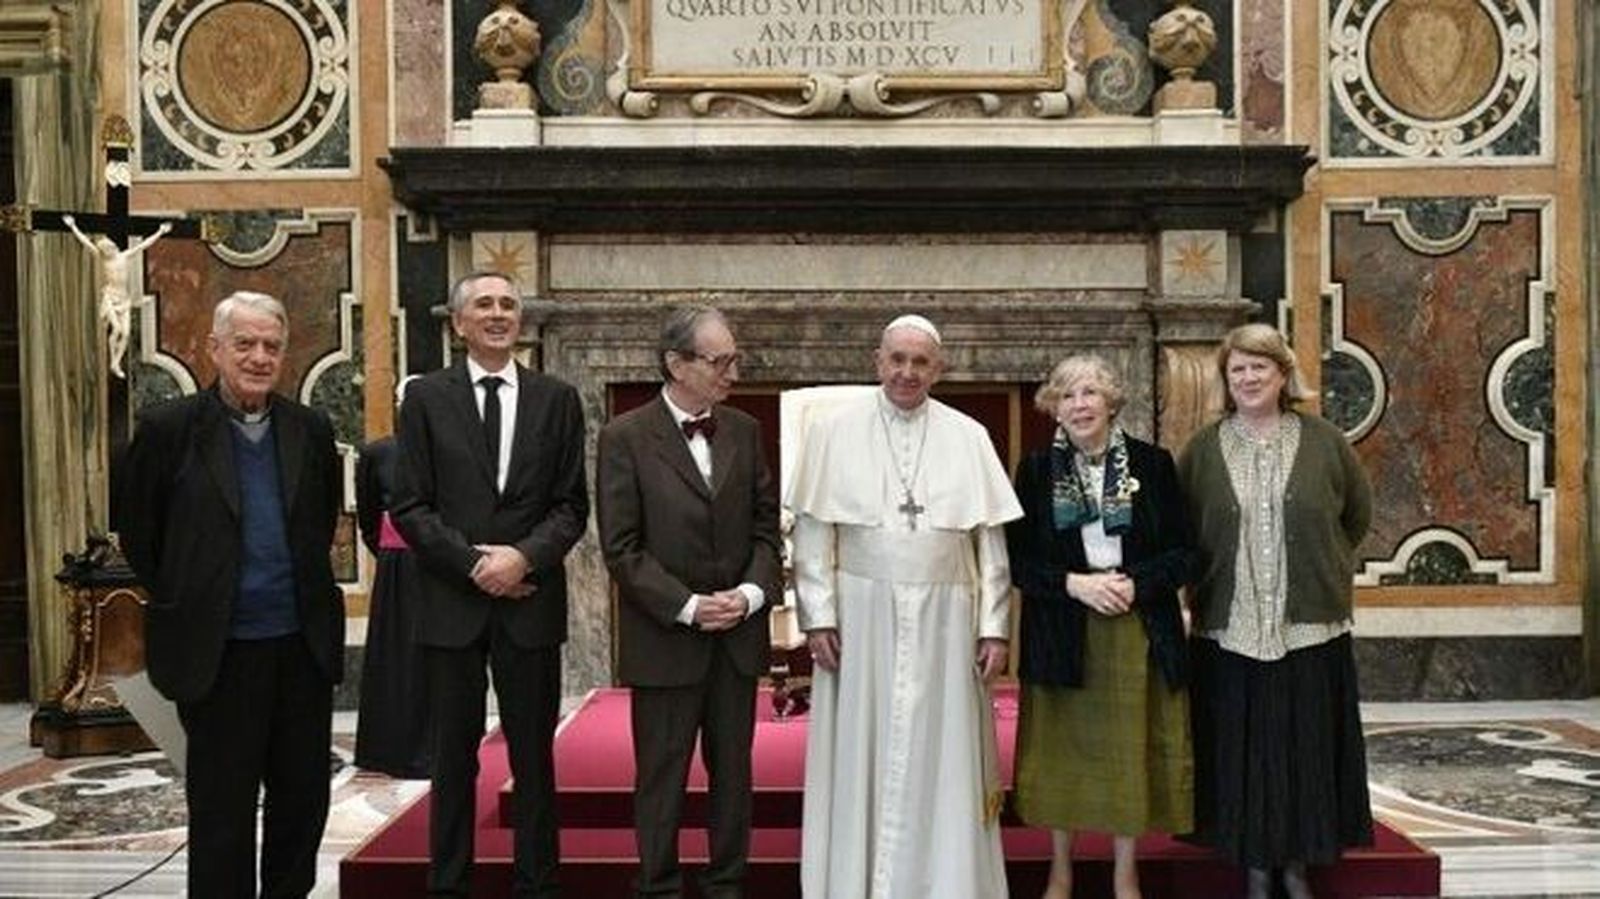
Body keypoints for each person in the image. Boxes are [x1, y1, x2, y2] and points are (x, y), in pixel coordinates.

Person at [117, 290, 344, 897]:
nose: (259, 357)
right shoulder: (168, 430)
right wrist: (193, 595)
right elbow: (140, 533)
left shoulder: (310, 429)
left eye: (272, 345)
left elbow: (320, 522)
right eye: (244, 344)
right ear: (214, 348)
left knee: (303, 801)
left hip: (300, 648)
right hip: (216, 653)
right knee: (223, 810)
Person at [788, 314, 1022, 899]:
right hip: (861, 616)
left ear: (938, 370)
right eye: (897, 359)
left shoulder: (968, 436)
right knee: (863, 749)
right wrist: (818, 615)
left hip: (949, 618)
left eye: (920, 362)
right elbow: (813, 533)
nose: (907, 372)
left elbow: (990, 547)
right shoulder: (834, 431)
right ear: (878, 361)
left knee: (944, 756)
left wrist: (994, 627)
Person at [391, 271, 588, 897]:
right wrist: (476, 565)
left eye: (508, 304)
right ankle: (449, 884)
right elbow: (410, 505)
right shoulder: (426, 398)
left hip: (530, 604)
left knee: (534, 758)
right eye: (484, 304)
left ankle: (538, 884)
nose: (498, 314)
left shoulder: (557, 399)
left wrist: (522, 559)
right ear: (459, 323)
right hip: (451, 606)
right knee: (452, 758)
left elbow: (571, 506)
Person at [1177, 323, 1374, 899]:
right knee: (1244, 749)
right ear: (1225, 379)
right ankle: (1255, 863)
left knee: (1304, 747)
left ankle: (1298, 862)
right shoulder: (1203, 449)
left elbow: (1356, 516)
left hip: (1309, 627)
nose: (1248, 378)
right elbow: (1185, 529)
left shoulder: (1325, 441)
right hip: (1230, 628)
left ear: (1283, 374)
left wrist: (1322, 567)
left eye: (1259, 366)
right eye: (1237, 369)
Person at [597, 305, 782, 899]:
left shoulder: (745, 430)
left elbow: (766, 529)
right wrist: (688, 606)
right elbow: (621, 548)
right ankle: (657, 886)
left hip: (735, 640)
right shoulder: (625, 437)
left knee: (734, 775)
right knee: (662, 776)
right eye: (719, 361)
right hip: (665, 639)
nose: (733, 373)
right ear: (676, 364)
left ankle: (728, 883)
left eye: (734, 359)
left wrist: (750, 595)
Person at [1006, 355, 1196, 899]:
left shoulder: (1153, 464)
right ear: (1054, 408)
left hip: (1137, 627)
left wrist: (1136, 583)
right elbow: (1017, 561)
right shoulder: (1036, 471)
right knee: (1063, 756)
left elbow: (1185, 552)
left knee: (1128, 754)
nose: (1079, 405)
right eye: (1067, 395)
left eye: (1090, 392)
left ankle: (1125, 874)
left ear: (1111, 401)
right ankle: (1060, 871)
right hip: (1063, 630)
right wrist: (1075, 584)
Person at [353, 374, 431, 779]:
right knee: (394, 662)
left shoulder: (449, 451)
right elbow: (369, 519)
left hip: (440, 568)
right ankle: (387, 750)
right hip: (396, 572)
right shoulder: (377, 453)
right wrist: (390, 556)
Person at [61, 214, 172, 379]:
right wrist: (73, 227)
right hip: (110, 298)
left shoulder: (123, 256)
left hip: (124, 299)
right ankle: (113, 359)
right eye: (106, 250)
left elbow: (144, 245)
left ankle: (115, 362)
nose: (109, 251)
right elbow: (86, 242)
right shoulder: (102, 259)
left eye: (110, 248)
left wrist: (160, 232)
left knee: (125, 334)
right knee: (117, 329)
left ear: (113, 247)